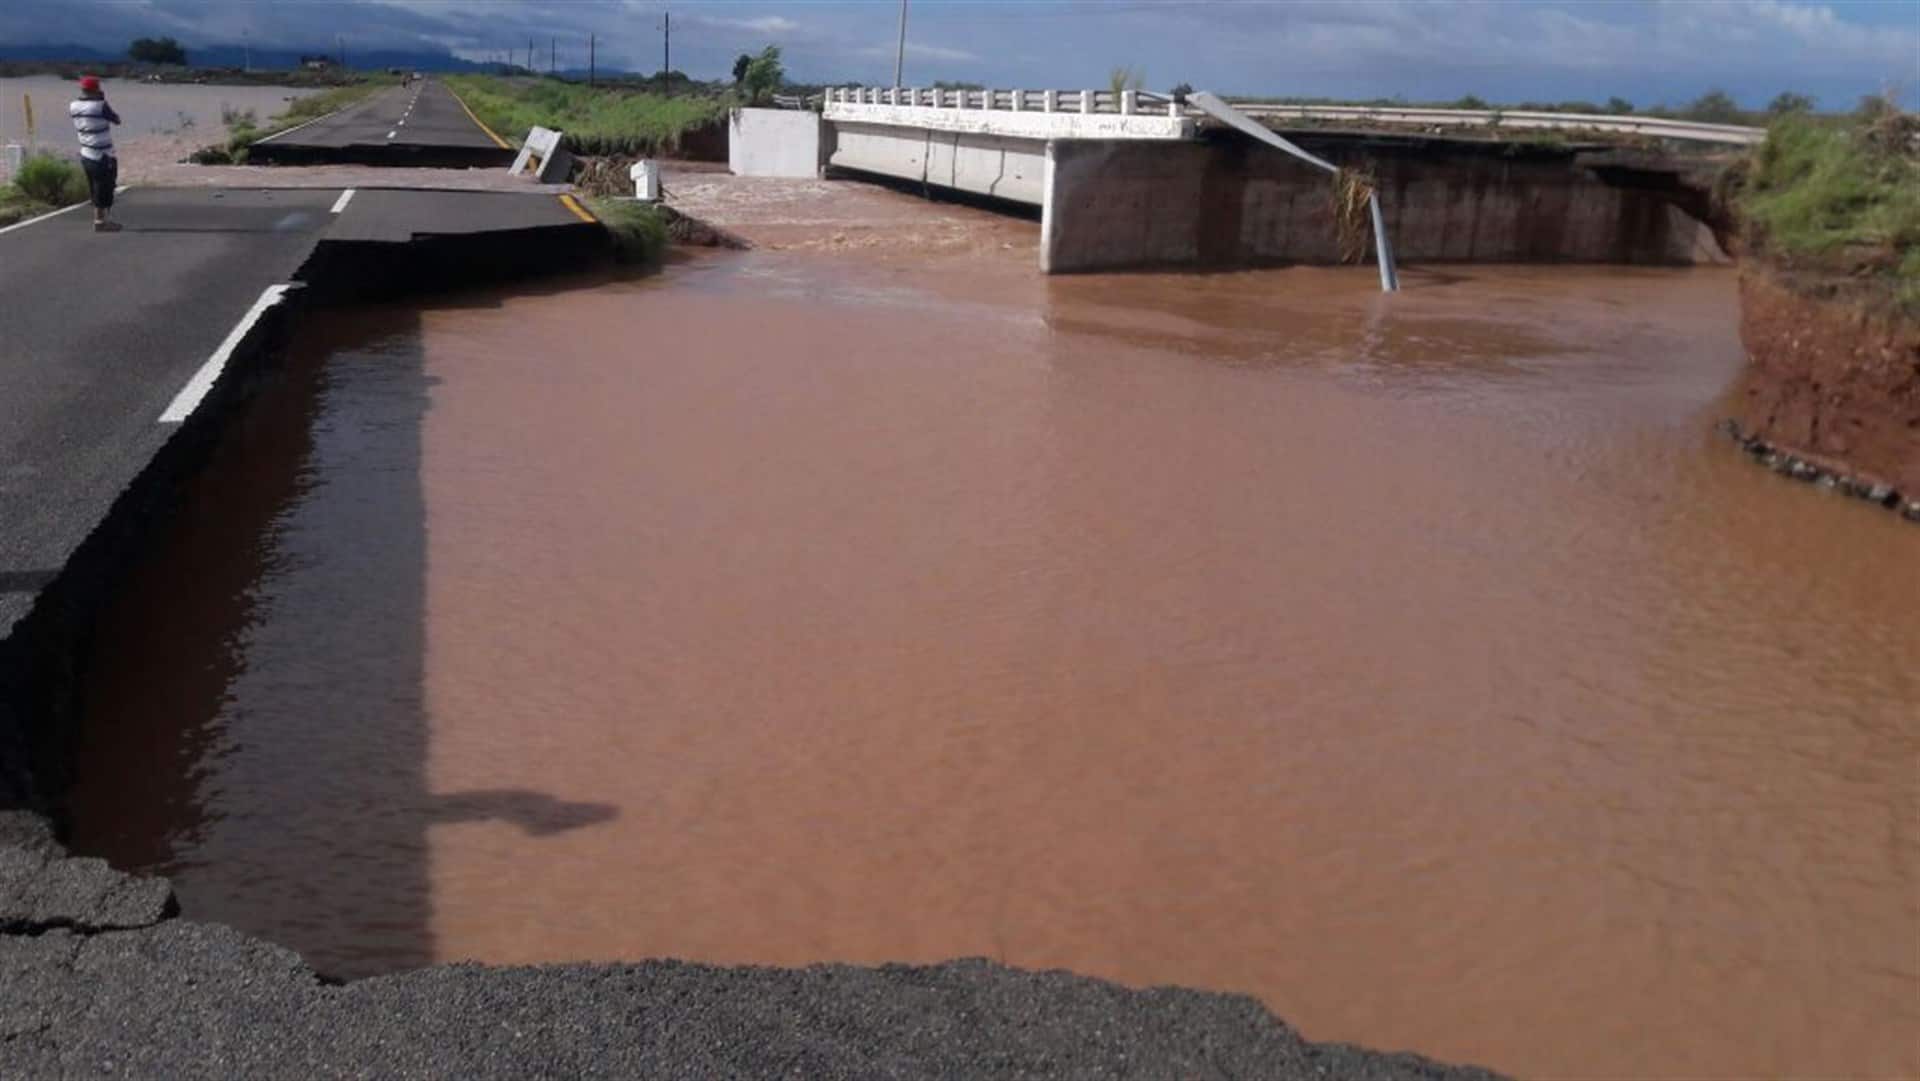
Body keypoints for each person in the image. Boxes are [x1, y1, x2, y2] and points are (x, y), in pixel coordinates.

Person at [68, 75, 121, 233]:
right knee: (105, 187)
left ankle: (102, 219)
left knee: (95, 187)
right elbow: (116, 120)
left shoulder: (73, 106)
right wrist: (102, 100)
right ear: (96, 89)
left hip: (85, 152)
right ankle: (100, 221)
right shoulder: (100, 105)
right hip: (102, 154)